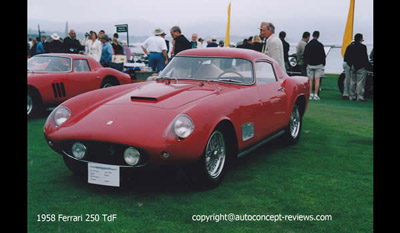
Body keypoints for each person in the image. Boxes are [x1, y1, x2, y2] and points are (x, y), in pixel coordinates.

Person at [343, 33, 371, 101]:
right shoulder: (363, 47)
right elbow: (365, 58)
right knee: (360, 82)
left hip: (352, 66)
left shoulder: (350, 46)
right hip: (361, 67)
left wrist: (350, 65)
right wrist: (368, 66)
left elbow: (346, 57)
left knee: (353, 81)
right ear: (360, 39)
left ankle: (352, 96)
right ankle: (360, 96)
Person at [303, 31, 326, 100]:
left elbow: (305, 55)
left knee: (310, 80)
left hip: (310, 64)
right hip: (318, 65)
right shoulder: (320, 45)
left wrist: (306, 63)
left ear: (312, 36)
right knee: (317, 80)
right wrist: (323, 64)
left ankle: (310, 94)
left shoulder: (308, 45)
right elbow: (323, 56)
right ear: (318, 36)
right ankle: (315, 94)